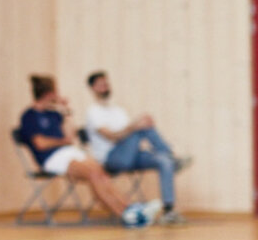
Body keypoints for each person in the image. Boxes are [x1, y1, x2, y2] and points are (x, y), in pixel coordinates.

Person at [18, 75, 159, 227]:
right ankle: (125, 215)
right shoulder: (29, 116)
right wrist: (63, 141)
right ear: (49, 94)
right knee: (93, 174)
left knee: (100, 172)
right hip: (51, 158)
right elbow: (40, 143)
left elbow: (70, 136)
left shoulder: (54, 114)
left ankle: (130, 208)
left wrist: (66, 111)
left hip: (69, 151)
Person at [85, 70, 189, 222]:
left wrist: (136, 126)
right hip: (112, 158)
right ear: (93, 88)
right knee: (142, 127)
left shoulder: (118, 110)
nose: (105, 87)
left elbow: (129, 136)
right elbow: (112, 137)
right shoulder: (93, 112)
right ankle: (173, 157)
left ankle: (169, 211)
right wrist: (136, 125)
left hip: (130, 155)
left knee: (163, 160)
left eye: (106, 84)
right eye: (100, 85)